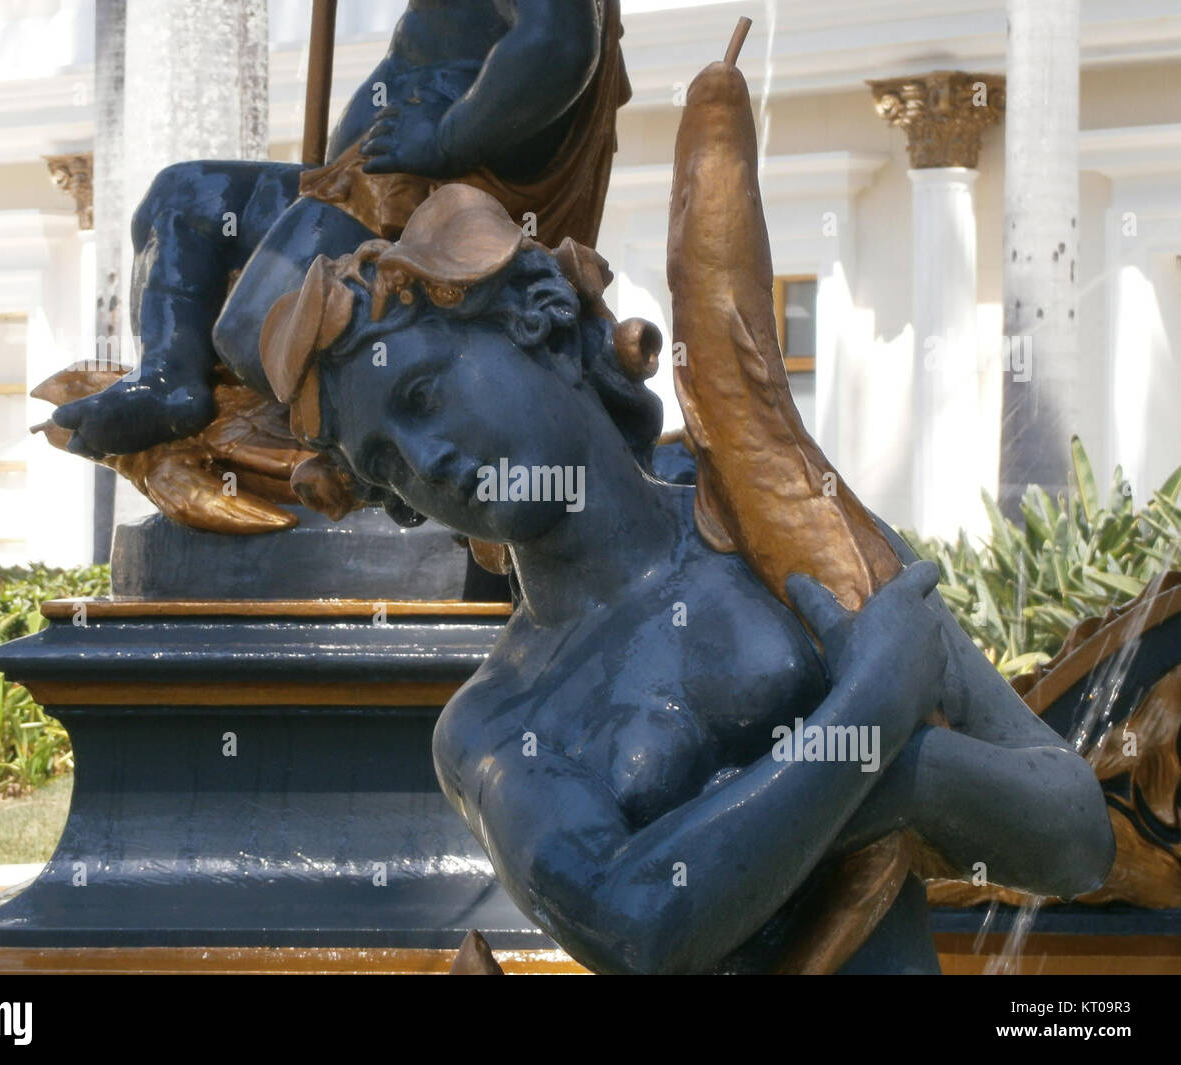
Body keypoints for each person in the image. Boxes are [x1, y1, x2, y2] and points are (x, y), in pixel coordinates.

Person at [257, 185, 1115, 974]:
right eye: (384, 465)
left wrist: (902, 772)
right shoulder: (494, 724)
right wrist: (869, 716)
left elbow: (1078, 838)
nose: (426, 462)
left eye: (423, 394)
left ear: (543, 321)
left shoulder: (791, 534)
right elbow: (637, 924)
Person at [52, 0, 626, 460]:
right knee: (186, 195)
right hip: (359, 176)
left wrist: (447, 140)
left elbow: (559, 43)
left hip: (425, 192)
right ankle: (168, 380)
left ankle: (369, 465)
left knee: (258, 332)